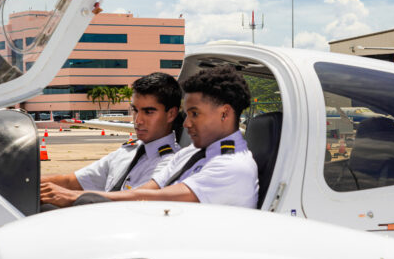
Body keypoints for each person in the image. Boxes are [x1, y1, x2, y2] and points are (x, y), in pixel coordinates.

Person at [40, 65, 259, 208]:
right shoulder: (191, 153)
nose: (186, 123)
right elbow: (145, 191)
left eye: (194, 114)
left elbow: (150, 200)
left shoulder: (232, 166)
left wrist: (75, 197)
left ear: (224, 113)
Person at [40, 72, 182, 208]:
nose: (138, 120)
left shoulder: (172, 162)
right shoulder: (127, 151)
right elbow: (70, 181)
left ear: (171, 114)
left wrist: (73, 197)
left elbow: (137, 202)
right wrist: (27, 183)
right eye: (135, 110)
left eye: (148, 112)